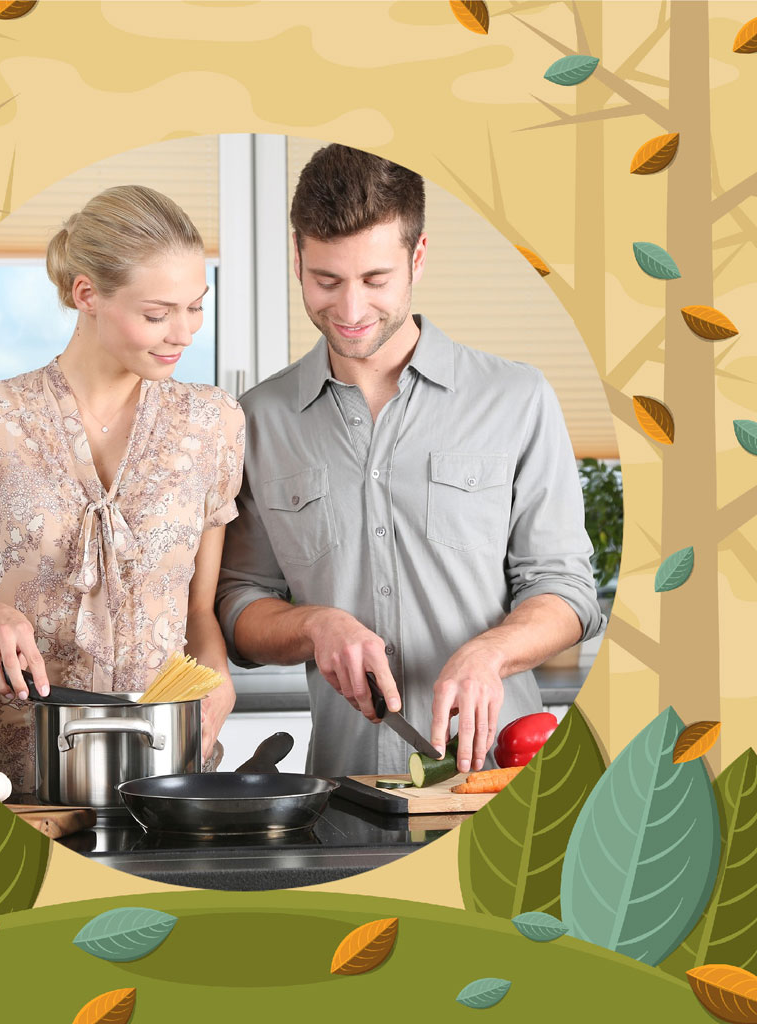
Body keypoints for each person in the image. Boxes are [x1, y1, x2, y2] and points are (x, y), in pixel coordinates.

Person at [216, 144, 603, 781]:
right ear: (297, 259)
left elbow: (566, 589)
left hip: (506, 788)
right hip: (343, 797)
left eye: (375, 280)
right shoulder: (257, 420)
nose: (348, 311)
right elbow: (239, 603)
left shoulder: (516, 397)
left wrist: (492, 652)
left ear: (417, 257)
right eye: (326, 280)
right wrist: (316, 625)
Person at [0, 185, 244, 794]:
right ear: (86, 294)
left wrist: (218, 676)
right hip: (22, 779)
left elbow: (199, 612)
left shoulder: (215, 423)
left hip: (169, 773)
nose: (184, 332)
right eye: (157, 314)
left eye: (196, 307)